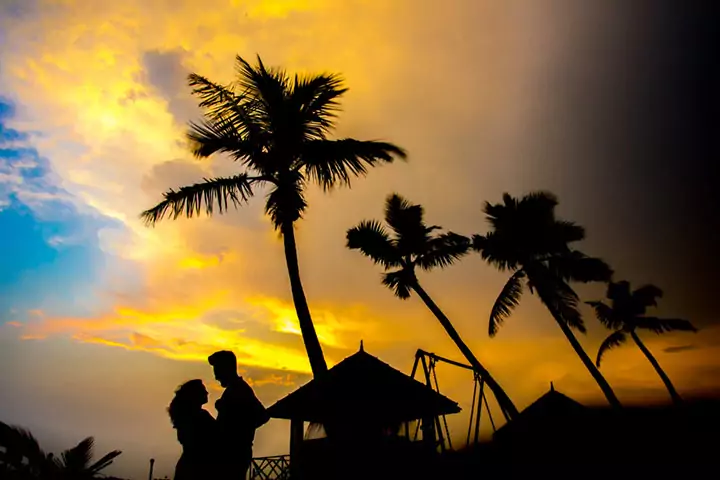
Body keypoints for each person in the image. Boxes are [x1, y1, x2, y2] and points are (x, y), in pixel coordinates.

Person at [208, 350, 270, 479]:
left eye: (217, 370)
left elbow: (263, 416)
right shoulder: (236, 389)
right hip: (234, 453)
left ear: (226, 368)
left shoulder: (239, 389)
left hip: (233, 455)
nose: (216, 377)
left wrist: (239, 430)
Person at [167, 379, 217, 480]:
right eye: (203, 390)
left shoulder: (186, 417)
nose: (207, 392)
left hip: (188, 467)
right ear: (195, 394)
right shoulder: (200, 416)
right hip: (197, 469)